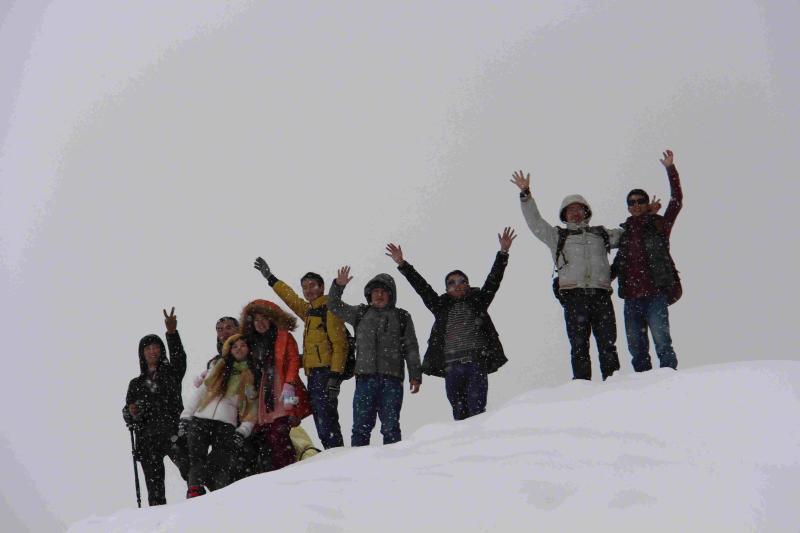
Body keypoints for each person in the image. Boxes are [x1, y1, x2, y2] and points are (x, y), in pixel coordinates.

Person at [385, 228, 515, 420]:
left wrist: (503, 252)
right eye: (452, 282)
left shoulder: (478, 301)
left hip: (475, 362)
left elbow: (493, 280)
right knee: (459, 413)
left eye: (462, 281)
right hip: (451, 366)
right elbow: (422, 287)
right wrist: (402, 264)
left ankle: (479, 436)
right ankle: (463, 439)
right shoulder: (440, 306)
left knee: (477, 411)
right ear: (446, 289)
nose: (458, 285)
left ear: (468, 285)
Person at [511, 171, 623, 381]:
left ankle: (613, 384)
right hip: (574, 297)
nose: (575, 213)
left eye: (579, 209)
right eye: (570, 210)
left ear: (586, 212)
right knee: (579, 346)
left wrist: (646, 216)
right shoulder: (558, 236)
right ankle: (581, 387)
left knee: (608, 345)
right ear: (564, 215)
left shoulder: (601, 234)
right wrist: (526, 195)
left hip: (601, 296)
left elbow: (629, 236)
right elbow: (536, 223)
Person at [253, 258, 347, 449]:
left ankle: (336, 453)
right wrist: (271, 278)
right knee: (321, 419)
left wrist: (335, 376)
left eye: (312, 285)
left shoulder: (329, 309)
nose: (308, 290)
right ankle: (333, 453)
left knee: (326, 419)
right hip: (313, 374)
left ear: (322, 287)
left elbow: (340, 345)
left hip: (325, 373)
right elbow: (291, 299)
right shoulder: (310, 312)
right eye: (305, 287)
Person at [327, 267, 422, 446]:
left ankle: (394, 461)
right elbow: (333, 305)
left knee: (391, 428)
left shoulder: (401, 316)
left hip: (392, 381)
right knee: (360, 429)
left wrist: (415, 375)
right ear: (369, 294)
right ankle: (357, 462)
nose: (379, 295)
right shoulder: (360, 313)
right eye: (376, 291)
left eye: (384, 291)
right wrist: (338, 286)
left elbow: (411, 347)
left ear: (391, 295)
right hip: (365, 380)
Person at [611, 149, 683, 372]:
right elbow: (617, 265)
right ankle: (643, 385)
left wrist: (671, 169)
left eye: (641, 201)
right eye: (632, 202)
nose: (636, 205)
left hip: (655, 295)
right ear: (628, 207)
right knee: (636, 348)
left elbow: (676, 202)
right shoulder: (625, 233)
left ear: (646, 203)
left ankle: (669, 378)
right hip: (631, 298)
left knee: (663, 343)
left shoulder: (659, 226)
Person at [122, 308, 189, 506]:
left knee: (191, 473)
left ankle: (202, 505)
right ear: (142, 354)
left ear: (161, 350)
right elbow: (128, 411)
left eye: (156, 347)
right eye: (148, 348)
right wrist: (131, 412)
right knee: (154, 490)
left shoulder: (171, 373)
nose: (152, 351)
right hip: (147, 437)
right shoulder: (135, 383)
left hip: (173, 431)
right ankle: (158, 519)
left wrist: (172, 333)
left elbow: (179, 357)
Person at [239, 299, 313, 473]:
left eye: (264, 318)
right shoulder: (251, 342)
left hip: (284, 389)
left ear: (271, 318)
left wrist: (289, 386)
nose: (260, 323)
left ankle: (288, 469)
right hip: (263, 394)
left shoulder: (284, 337)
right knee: (268, 437)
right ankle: (276, 472)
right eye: (256, 320)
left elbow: (293, 361)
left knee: (280, 432)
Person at [180, 333, 257, 497]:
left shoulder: (250, 375)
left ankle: (220, 497)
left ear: (249, 349)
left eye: (243, 345)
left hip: (225, 425)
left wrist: (242, 431)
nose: (239, 349)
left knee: (220, 463)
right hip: (200, 419)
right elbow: (200, 393)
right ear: (229, 349)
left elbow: (251, 410)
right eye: (235, 346)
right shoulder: (217, 368)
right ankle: (194, 493)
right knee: (196, 459)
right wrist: (186, 417)